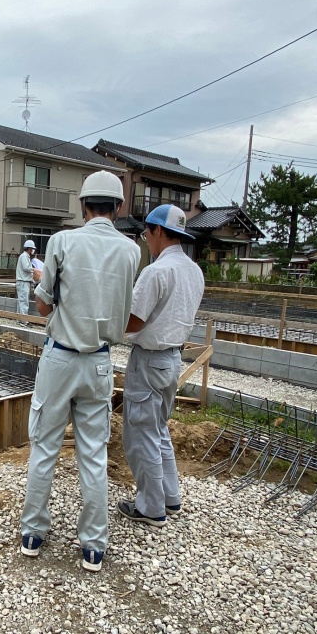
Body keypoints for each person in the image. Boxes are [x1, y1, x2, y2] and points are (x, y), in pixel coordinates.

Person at [20, 171, 139, 573]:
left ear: (83, 205)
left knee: (45, 448)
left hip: (60, 358)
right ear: (118, 208)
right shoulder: (131, 251)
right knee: (93, 456)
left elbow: (42, 307)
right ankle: (93, 546)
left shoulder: (62, 241)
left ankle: (33, 534)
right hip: (100, 362)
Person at [118, 204, 204, 528]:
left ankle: (151, 507)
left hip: (149, 360)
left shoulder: (156, 271)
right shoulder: (193, 271)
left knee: (141, 434)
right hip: (173, 359)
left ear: (156, 231)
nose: (146, 241)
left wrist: (106, 326)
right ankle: (170, 497)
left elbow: (134, 320)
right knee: (158, 429)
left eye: (146, 234)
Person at [16, 240, 37, 315]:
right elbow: (26, 268)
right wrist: (35, 270)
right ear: (29, 249)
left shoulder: (25, 257)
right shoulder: (24, 256)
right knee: (24, 301)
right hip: (23, 282)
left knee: (21, 301)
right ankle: (24, 320)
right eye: (32, 249)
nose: (33, 251)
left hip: (23, 282)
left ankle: (20, 319)